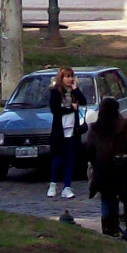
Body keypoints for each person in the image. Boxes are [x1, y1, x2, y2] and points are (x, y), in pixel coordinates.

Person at [84, 96, 127, 238]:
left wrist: (95, 162)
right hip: (121, 168)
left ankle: (108, 230)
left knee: (106, 199)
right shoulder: (123, 126)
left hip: (103, 168)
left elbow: (89, 149)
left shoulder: (95, 128)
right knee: (126, 199)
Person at [47, 66, 86, 199]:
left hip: (72, 131)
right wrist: (71, 109)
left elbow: (84, 101)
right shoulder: (55, 92)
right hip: (60, 131)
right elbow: (55, 110)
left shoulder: (74, 92)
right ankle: (53, 184)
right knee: (58, 158)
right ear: (61, 78)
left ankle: (67, 187)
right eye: (67, 76)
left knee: (70, 159)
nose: (70, 79)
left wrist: (76, 89)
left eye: (71, 76)